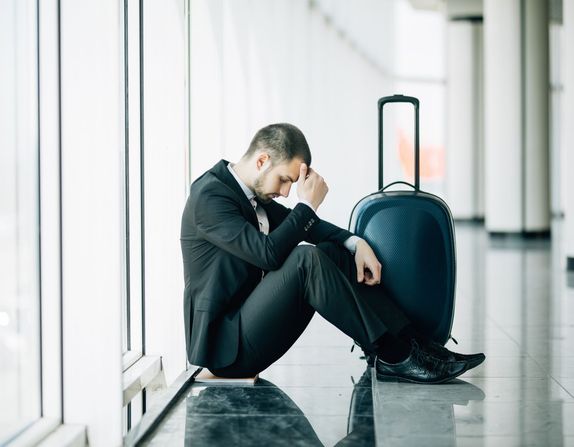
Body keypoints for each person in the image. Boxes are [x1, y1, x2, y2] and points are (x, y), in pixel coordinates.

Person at [180, 123, 485, 384]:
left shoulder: (249, 193)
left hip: (249, 321)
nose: (286, 192)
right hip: (227, 347)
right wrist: (308, 205)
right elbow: (268, 254)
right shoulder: (210, 196)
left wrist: (354, 243)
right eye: (285, 179)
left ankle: (414, 343)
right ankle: (394, 356)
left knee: (329, 252)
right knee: (305, 259)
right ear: (262, 161)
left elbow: (304, 228)